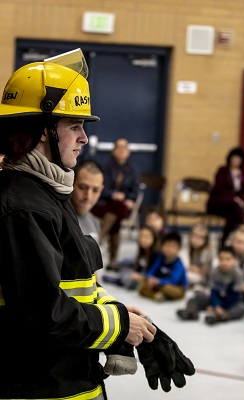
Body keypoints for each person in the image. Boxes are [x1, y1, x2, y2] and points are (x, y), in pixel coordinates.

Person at [0, 50, 195, 399]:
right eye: (74, 126)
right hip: (43, 386)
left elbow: (74, 283)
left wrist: (119, 313)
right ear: (42, 131)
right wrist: (118, 326)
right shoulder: (23, 207)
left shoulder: (48, 193)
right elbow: (43, 312)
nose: (84, 138)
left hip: (66, 377)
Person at [92, 137, 140, 269]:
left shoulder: (133, 170)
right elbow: (101, 188)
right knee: (117, 213)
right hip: (104, 203)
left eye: (125, 147)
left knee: (119, 207)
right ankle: (113, 259)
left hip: (121, 206)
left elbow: (135, 191)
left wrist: (127, 198)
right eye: (119, 147)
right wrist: (113, 195)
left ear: (129, 151)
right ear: (113, 151)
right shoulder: (105, 167)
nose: (122, 150)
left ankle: (99, 239)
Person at [176, 246, 244, 325]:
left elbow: (235, 295)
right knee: (194, 299)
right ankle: (191, 312)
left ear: (234, 259)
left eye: (228, 259)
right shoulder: (215, 271)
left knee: (242, 308)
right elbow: (213, 291)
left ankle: (221, 317)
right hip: (216, 298)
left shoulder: (238, 274)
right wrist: (216, 304)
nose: (224, 262)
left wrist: (219, 307)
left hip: (231, 301)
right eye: (221, 259)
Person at [207, 146, 244, 245]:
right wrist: (234, 199)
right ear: (230, 158)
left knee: (232, 214)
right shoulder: (222, 171)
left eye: (239, 158)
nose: (236, 160)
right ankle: (243, 227)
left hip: (232, 208)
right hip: (218, 203)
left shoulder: (243, 173)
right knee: (235, 206)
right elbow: (219, 188)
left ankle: (223, 240)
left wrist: (240, 200)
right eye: (234, 157)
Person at [107, 225, 159, 290]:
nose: (143, 239)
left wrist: (140, 277)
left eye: (147, 237)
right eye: (141, 236)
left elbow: (154, 274)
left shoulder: (157, 255)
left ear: (154, 238)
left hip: (149, 279)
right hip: (139, 274)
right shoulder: (142, 252)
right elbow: (137, 267)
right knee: (125, 266)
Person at [139, 231, 187, 302]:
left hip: (175, 287)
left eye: (173, 246)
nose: (169, 249)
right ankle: (156, 295)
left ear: (179, 248)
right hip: (158, 283)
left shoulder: (178, 264)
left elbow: (174, 280)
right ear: (162, 246)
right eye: (167, 245)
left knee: (167, 289)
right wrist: (150, 278)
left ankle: (156, 294)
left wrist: (159, 281)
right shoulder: (160, 258)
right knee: (143, 282)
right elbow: (151, 270)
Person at [70, 160, 104, 243]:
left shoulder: (95, 223)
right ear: (71, 184)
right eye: (83, 187)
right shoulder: (57, 220)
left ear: (101, 191)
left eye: (95, 190)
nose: (88, 196)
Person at [180, 222, 212, 289]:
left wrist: (190, 268)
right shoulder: (191, 248)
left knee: (184, 275)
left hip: (203, 278)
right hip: (193, 272)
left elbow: (203, 271)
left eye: (200, 238)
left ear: (205, 240)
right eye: (194, 236)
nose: (196, 240)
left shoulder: (205, 252)